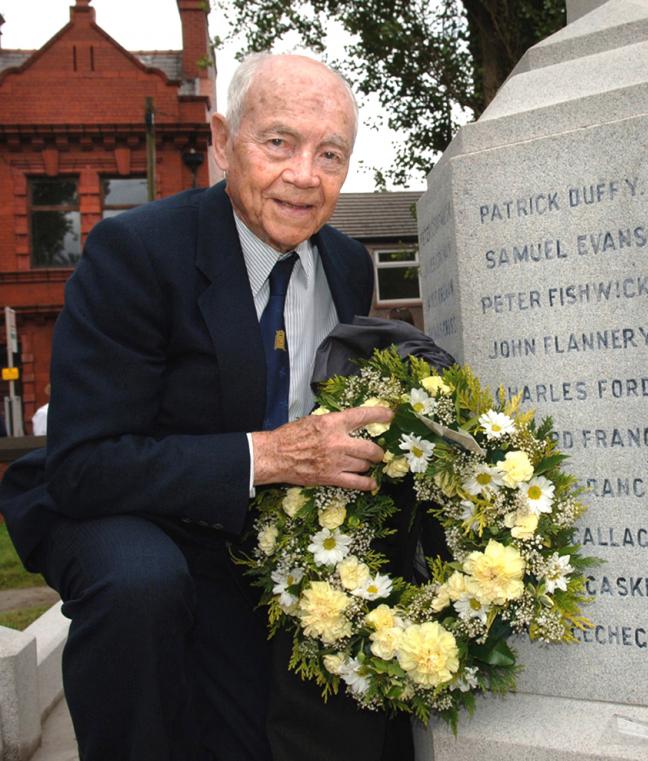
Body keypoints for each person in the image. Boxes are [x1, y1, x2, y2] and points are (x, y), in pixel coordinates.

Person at [0, 53, 409, 761]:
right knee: (143, 586)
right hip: (123, 507)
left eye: (330, 154)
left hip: (250, 528)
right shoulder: (136, 251)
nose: (304, 176)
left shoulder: (347, 264)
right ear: (223, 140)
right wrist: (271, 454)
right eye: (278, 142)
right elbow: (84, 465)